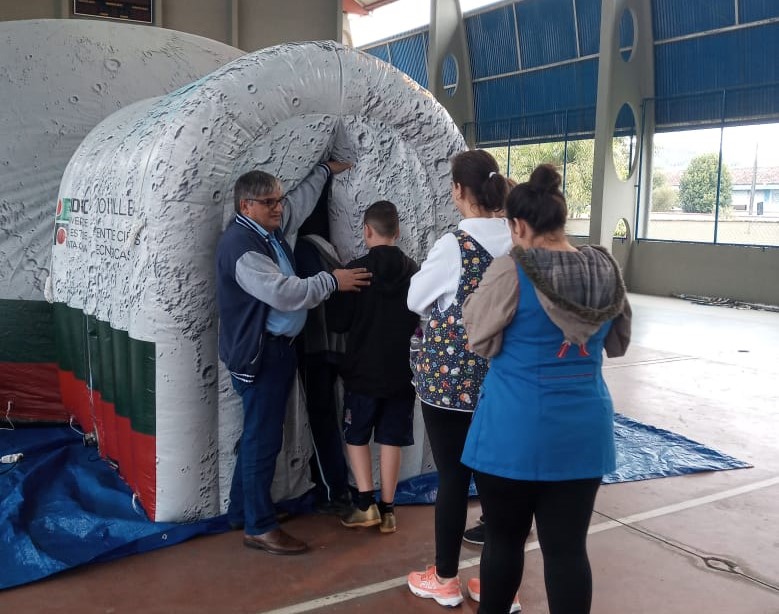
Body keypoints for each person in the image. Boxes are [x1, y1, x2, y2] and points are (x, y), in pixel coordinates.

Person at [461, 164, 632, 613]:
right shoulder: (605, 267)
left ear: (518, 225)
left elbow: (478, 336)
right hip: (582, 435)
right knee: (568, 551)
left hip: (511, 434)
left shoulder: (513, 269)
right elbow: (619, 342)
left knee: (503, 542)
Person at [216, 161, 371, 556]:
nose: (278, 208)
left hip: (275, 350)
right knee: (262, 440)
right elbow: (284, 293)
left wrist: (322, 169)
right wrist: (333, 281)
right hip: (260, 354)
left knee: (258, 434)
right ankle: (259, 526)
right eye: (268, 202)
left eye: (278, 200)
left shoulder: (267, 232)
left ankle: (242, 511)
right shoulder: (241, 246)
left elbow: (299, 204)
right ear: (245, 205)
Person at [406, 150, 512, 608]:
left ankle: (445, 578)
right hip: (506, 384)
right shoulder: (519, 238)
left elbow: (416, 298)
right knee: (499, 483)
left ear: (458, 191)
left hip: (450, 389)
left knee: (453, 479)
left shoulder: (455, 245)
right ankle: (497, 586)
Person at [327, 200, 419, 534]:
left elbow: (338, 323)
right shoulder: (414, 270)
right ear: (397, 230)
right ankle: (389, 509)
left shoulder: (356, 271)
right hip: (401, 372)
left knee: (357, 435)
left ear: (366, 230)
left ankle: (365, 505)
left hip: (362, 371)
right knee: (391, 438)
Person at [293, 177, 353, 516]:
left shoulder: (302, 249)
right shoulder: (332, 245)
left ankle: (332, 487)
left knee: (320, 416)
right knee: (333, 413)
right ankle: (339, 483)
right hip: (337, 343)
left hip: (314, 346)